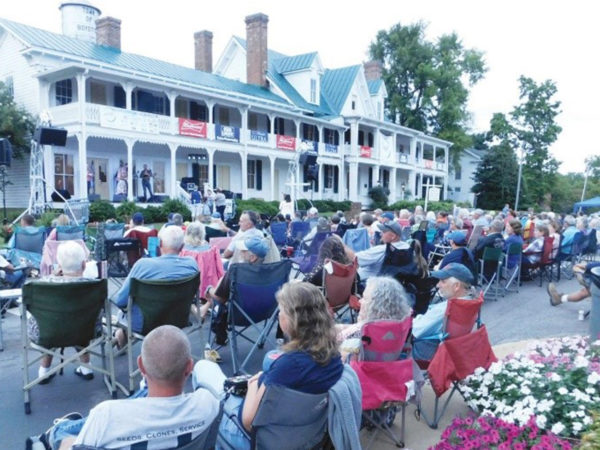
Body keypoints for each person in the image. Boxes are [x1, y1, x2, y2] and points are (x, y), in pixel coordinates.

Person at [193, 281, 343, 450]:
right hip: (304, 435)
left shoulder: (287, 366)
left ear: (292, 319)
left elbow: (248, 421)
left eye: (282, 311)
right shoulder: (335, 359)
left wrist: (252, 385)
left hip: (255, 437)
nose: (279, 315)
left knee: (203, 368)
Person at [46, 326, 219, 450]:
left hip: (113, 422)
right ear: (189, 367)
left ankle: (57, 430)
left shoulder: (106, 415)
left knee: (62, 433)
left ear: (141, 367)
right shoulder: (208, 404)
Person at [113, 226, 199, 347]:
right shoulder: (192, 265)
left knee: (124, 313)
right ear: (182, 246)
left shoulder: (143, 265)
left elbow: (120, 300)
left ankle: (121, 335)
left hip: (145, 325)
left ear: (160, 244)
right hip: (178, 320)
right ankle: (122, 334)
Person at [27, 241, 96, 383]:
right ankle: (86, 367)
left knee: (49, 321)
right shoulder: (94, 285)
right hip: (84, 330)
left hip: (49, 331)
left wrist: (53, 275)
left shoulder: (42, 285)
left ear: (59, 266)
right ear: (84, 265)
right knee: (80, 319)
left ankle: (44, 371)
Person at [204, 235, 269, 345]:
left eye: (243, 251)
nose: (239, 252)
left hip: (238, 316)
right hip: (265, 312)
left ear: (253, 257)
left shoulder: (236, 272)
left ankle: (220, 336)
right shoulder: (272, 272)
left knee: (217, 302)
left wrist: (209, 289)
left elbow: (219, 298)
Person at [412, 263, 475, 360]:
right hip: (452, 351)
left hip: (424, 352)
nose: (437, 285)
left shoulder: (445, 310)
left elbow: (413, 331)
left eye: (443, 281)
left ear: (456, 286)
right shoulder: (469, 302)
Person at [336, 276, 411, 349]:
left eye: (364, 298)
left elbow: (335, 340)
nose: (360, 301)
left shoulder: (361, 331)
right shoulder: (400, 327)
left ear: (375, 307)